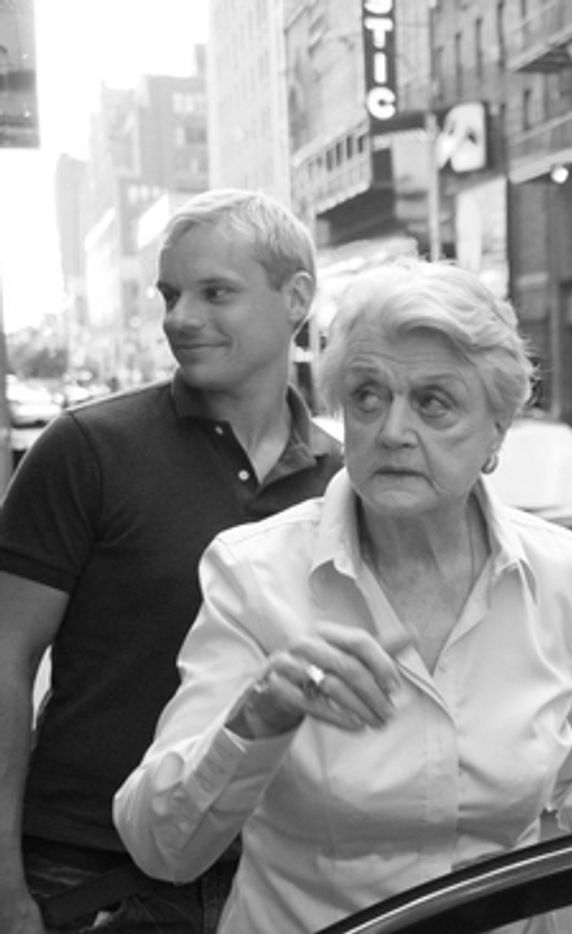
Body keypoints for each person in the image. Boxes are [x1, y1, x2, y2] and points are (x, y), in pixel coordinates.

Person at [113, 259, 572, 931]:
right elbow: (161, 847)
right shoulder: (254, 573)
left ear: (496, 434)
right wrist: (259, 713)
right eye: (368, 397)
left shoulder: (560, 571)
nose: (393, 430)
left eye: (434, 402)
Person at [0, 189, 342, 933]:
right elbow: (6, 659)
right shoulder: (87, 449)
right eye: (170, 294)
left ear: (297, 299)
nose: (180, 318)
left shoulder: (344, 483)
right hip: (88, 870)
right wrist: (3, 885)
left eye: (215, 292)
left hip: (272, 874)